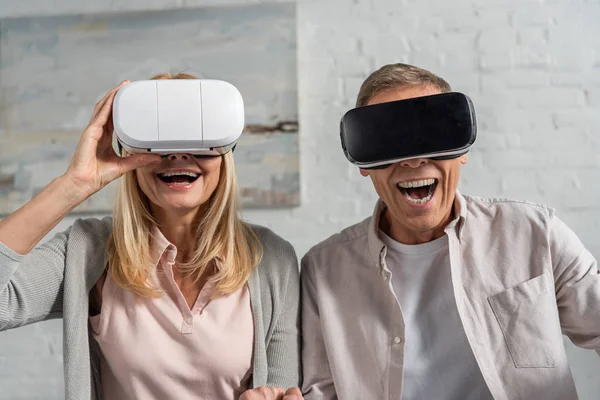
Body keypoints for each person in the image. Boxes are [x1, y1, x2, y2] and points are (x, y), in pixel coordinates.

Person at [244, 62, 600, 400]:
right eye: (389, 141)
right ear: (364, 165)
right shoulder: (324, 270)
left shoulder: (536, 234)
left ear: (462, 151)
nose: (413, 161)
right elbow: (322, 391)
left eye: (431, 136)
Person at [0, 73, 301, 400]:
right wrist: (74, 185)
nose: (178, 155)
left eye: (197, 141)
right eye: (160, 142)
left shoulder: (271, 259)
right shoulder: (89, 250)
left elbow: (281, 388)